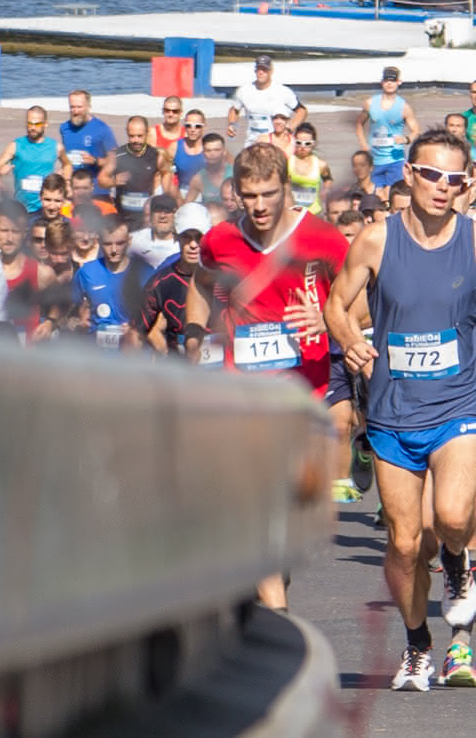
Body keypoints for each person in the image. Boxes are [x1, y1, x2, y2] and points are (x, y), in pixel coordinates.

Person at [327, 128, 476, 690]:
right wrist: (349, 339)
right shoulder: (374, 240)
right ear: (409, 174)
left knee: (455, 518)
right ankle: (418, 645)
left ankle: (458, 565)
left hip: (459, 400)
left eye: (454, 179)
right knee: (405, 542)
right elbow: (337, 305)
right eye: (431, 174)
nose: (442, 186)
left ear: (466, 186)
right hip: (392, 408)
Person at [186, 142, 350, 609]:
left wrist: (328, 321)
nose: (259, 206)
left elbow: (361, 296)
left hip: (308, 394)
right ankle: (277, 615)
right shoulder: (220, 239)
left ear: (287, 189)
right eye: (249, 195)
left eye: (269, 194)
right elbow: (200, 283)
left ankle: (274, 570)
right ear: (236, 192)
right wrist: (194, 337)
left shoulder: (322, 238)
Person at [140, 203, 212, 358]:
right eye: (187, 237)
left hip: (224, 374)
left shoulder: (224, 278)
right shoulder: (160, 283)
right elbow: (140, 331)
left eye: (199, 237)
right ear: (176, 237)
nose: (193, 245)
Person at [74, 213, 153, 352]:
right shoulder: (87, 272)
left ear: (129, 241)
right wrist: (77, 321)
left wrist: (138, 327)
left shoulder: (145, 272)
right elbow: (68, 309)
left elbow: (159, 316)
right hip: (97, 356)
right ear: (98, 242)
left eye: (120, 243)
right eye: (108, 244)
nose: (114, 250)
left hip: (132, 355)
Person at [0, 200, 51, 344]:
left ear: (25, 233)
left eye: (15, 231)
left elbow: (63, 301)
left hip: (26, 361)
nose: (10, 238)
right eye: (4, 231)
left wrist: (51, 323)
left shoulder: (40, 272)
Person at [0, 105, 68, 215]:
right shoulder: (15, 146)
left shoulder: (56, 147)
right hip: (21, 208)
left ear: (45, 124)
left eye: (37, 124)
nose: (33, 127)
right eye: (30, 123)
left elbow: (67, 165)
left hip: (45, 208)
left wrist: (63, 179)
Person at [358, 67, 420, 189]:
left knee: (396, 196)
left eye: (393, 80)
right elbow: (359, 123)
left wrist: (406, 139)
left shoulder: (404, 107)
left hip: (395, 161)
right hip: (374, 161)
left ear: (399, 82)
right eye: (386, 80)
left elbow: (416, 131)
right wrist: (363, 144)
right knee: (374, 199)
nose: (389, 83)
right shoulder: (370, 103)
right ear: (382, 82)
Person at [101, 115, 170, 224]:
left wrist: (165, 195)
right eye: (131, 136)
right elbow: (101, 180)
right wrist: (113, 181)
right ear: (127, 133)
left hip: (146, 219)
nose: (135, 140)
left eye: (139, 136)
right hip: (122, 217)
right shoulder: (118, 155)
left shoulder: (156, 156)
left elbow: (166, 173)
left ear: (147, 133)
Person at [228, 55, 305, 142]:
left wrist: (289, 128)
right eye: (258, 69)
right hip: (252, 142)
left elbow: (302, 111)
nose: (261, 72)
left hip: (275, 143)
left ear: (271, 71)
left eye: (264, 69)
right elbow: (234, 110)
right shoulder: (244, 91)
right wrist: (232, 124)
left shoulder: (282, 91)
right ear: (255, 70)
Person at [61, 90, 118, 199]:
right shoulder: (64, 128)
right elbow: (66, 160)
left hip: (97, 192)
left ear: (88, 107)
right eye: (72, 107)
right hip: (73, 193)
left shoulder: (102, 129)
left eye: (79, 107)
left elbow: (116, 160)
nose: (75, 111)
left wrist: (96, 161)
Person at [288, 123, 334, 215]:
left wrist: (326, 190)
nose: (302, 147)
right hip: (292, 213)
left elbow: (328, 179)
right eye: (298, 143)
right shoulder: (287, 162)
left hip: (314, 213)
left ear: (314, 144)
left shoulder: (321, 165)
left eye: (307, 143)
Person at [129, 194, 181, 269]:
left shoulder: (182, 243)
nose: (162, 216)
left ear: (175, 215)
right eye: (158, 211)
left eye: (167, 211)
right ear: (150, 215)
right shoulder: (134, 240)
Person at [184, 133, 232, 206]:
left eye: (217, 150)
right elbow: (186, 206)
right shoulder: (198, 179)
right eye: (208, 150)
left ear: (224, 152)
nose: (212, 154)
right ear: (203, 153)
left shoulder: (235, 173)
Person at [170, 109, 209, 196]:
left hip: (206, 193)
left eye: (197, 126)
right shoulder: (175, 146)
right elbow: (164, 173)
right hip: (182, 192)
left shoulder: (211, 147)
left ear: (205, 127)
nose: (192, 129)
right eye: (188, 125)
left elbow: (228, 169)